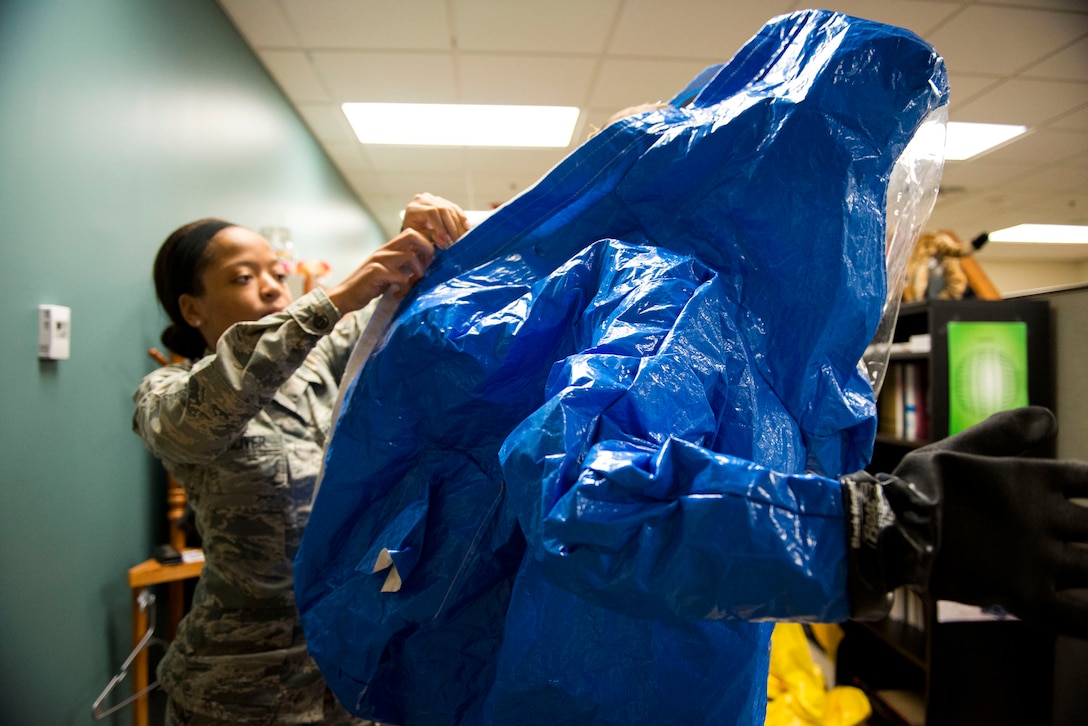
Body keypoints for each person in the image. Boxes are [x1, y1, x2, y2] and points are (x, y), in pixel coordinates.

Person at [293, 11, 1088, 726]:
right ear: (794, 164)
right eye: (859, 172)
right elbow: (588, 496)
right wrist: (881, 530)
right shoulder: (669, 297)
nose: (867, 206)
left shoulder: (722, 321)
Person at [132, 193, 469, 725]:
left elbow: (395, 317)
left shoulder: (321, 369)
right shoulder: (168, 394)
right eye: (243, 278)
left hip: (344, 673)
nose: (272, 286)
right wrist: (333, 300)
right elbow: (205, 413)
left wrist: (420, 245)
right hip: (240, 692)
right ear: (191, 308)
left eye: (277, 271)